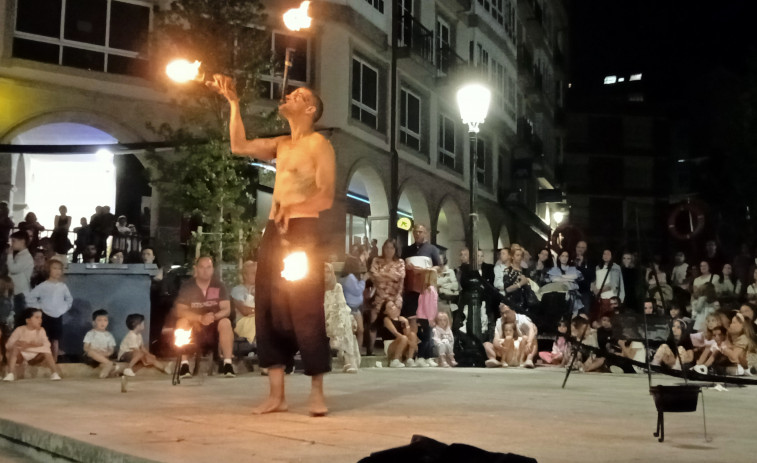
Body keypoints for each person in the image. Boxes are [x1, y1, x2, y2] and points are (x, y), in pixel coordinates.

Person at [210, 75, 335, 416]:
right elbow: (239, 146)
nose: (289, 96)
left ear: (310, 109)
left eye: (298, 95)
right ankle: (276, 394)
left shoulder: (319, 145)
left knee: (305, 308)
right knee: (267, 306)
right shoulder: (281, 144)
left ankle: (316, 392)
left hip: (303, 232)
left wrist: (292, 208)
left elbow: (326, 195)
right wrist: (234, 103)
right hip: (274, 233)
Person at [174, 256, 236, 378]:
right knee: (181, 323)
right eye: (202, 267)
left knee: (226, 323)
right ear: (196, 269)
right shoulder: (187, 286)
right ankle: (184, 366)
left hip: (214, 324)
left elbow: (226, 309)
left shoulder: (219, 285)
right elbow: (180, 310)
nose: (205, 270)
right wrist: (200, 318)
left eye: (208, 267)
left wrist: (213, 316)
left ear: (213, 269)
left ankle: (228, 365)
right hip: (194, 326)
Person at [401, 224, 441, 368]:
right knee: (413, 324)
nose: (418, 234)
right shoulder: (406, 250)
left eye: (421, 231)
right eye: (416, 231)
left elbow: (438, 267)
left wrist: (425, 270)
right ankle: (414, 355)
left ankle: (427, 354)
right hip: (411, 290)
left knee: (427, 323)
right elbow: (401, 265)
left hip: (426, 290)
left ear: (426, 233)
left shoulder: (432, 249)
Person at [27, 259, 72, 361]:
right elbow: (30, 298)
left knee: (55, 340)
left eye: (59, 269)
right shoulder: (43, 286)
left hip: (58, 316)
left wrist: (62, 308)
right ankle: (44, 359)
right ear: (48, 270)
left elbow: (69, 300)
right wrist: (40, 307)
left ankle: (54, 360)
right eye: (54, 268)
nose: (57, 271)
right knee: (45, 338)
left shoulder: (63, 287)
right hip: (45, 315)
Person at [368, 239, 405, 355]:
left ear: (395, 249)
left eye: (392, 248)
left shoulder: (400, 262)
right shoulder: (377, 260)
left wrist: (382, 275)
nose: (389, 250)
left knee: (394, 322)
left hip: (394, 296)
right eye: (387, 248)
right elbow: (374, 276)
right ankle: (370, 350)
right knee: (374, 323)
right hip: (380, 296)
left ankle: (395, 350)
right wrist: (390, 276)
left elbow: (400, 276)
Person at [3, 308, 62, 381]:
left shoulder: (41, 330)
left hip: (34, 357)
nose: (40, 320)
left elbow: (46, 345)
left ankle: (54, 373)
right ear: (28, 320)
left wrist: (28, 345)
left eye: (41, 318)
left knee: (47, 352)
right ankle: (10, 374)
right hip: (21, 356)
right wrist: (33, 345)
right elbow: (8, 345)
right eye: (37, 317)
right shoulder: (20, 329)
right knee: (15, 348)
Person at [324, 263, 360, 373]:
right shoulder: (314, 288)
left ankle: (348, 360)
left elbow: (341, 305)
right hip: (320, 316)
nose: (325, 274)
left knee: (346, 319)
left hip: (336, 316)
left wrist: (336, 320)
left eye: (328, 272)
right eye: (322, 272)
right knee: (345, 319)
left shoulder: (337, 287)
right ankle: (347, 358)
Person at [377, 300, 415, 368]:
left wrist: (406, 323)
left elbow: (408, 334)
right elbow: (395, 333)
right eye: (390, 307)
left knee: (412, 335)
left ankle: (409, 359)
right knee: (403, 338)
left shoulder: (401, 319)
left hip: (403, 341)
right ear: (385, 312)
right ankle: (395, 360)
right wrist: (410, 342)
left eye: (393, 305)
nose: (393, 308)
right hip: (390, 344)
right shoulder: (386, 319)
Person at [339, 256, 365, 354]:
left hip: (355, 307)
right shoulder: (349, 277)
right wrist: (363, 280)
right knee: (355, 331)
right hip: (351, 308)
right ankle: (352, 352)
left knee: (360, 330)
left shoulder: (347, 277)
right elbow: (357, 290)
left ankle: (356, 351)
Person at [83, 309, 118, 378]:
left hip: (103, 356)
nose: (103, 323)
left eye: (105, 320)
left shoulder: (109, 335)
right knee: (90, 352)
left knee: (105, 363)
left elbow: (111, 349)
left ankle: (109, 368)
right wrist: (95, 352)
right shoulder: (91, 333)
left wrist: (106, 353)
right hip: (92, 357)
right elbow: (85, 347)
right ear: (94, 322)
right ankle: (110, 364)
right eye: (99, 320)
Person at [591, 249, 625, 321]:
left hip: (611, 297)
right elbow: (594, 281)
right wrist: (595, 290)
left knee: (612, 320)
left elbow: (616, 283)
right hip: (601, 298)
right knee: (601, 319)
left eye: (608, 254)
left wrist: (621, 298)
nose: (606, 256)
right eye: (604, 254)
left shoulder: (616, 267)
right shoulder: (597, 267)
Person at [7, 230, 33, 317]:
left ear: (22, 241)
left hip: (21, 293)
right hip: (16, 292)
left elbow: (13, 269)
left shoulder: (26, 257)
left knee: (20, 318)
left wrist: (9, 255)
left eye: (14, 241)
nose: (12, 244)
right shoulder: (20, 255)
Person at [231, 261, 257, 344]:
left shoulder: (262, 289)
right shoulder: (238, 290)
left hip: (257, 318)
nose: (257, 275)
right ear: (245, 275)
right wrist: (261, 311)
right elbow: (244, 311)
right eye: (254, 273)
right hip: (243, 321)